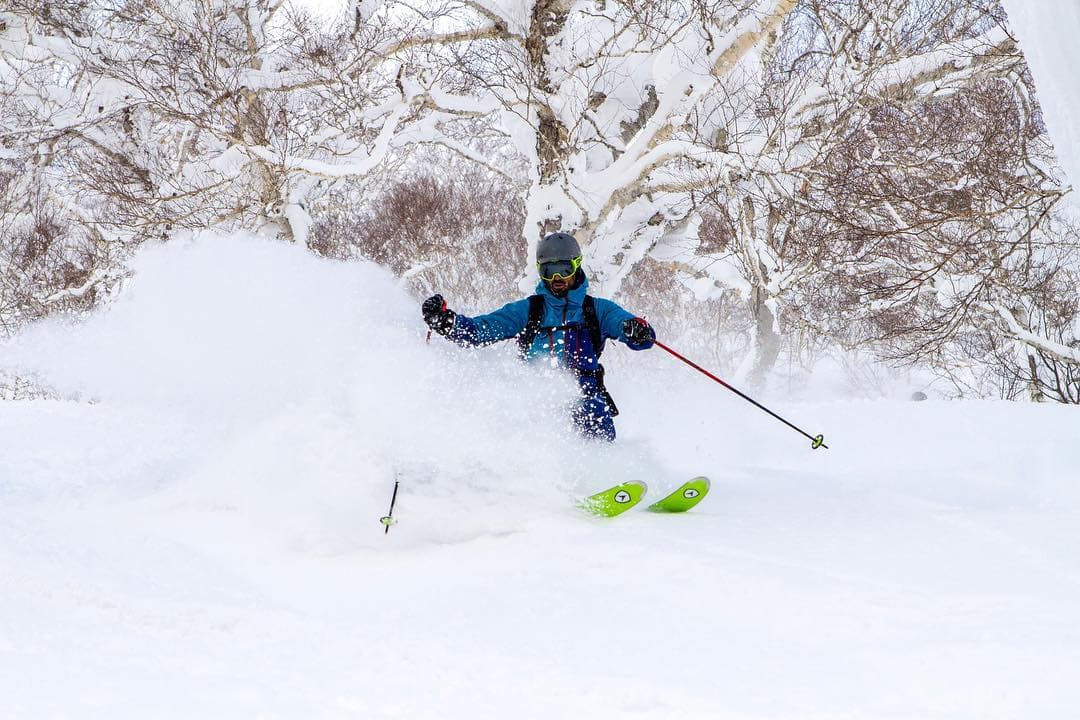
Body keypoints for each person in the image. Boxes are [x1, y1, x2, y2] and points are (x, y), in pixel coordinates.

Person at [421, 231, 656, 441]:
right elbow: (479, 332)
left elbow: (635, 333)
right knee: (525, 417)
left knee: (592, 409)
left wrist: (635, 330)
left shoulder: (596, 310)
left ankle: (604, 474)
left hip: (586, 394)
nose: (556, 278)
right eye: (548, 270)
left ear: (577, 266)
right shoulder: (528, 311)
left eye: (564, 269)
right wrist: (446, 322)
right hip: (536, 397)